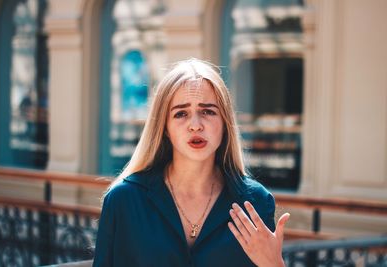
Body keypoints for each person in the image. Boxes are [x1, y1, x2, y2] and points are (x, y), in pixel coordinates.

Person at [93, 58, 290, 267]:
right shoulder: (124, 201)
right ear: (165, 127)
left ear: (225, 123)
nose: (195, 125)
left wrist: (274, 264)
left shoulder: (256, 203)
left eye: (208, 111)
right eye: (181, 114)